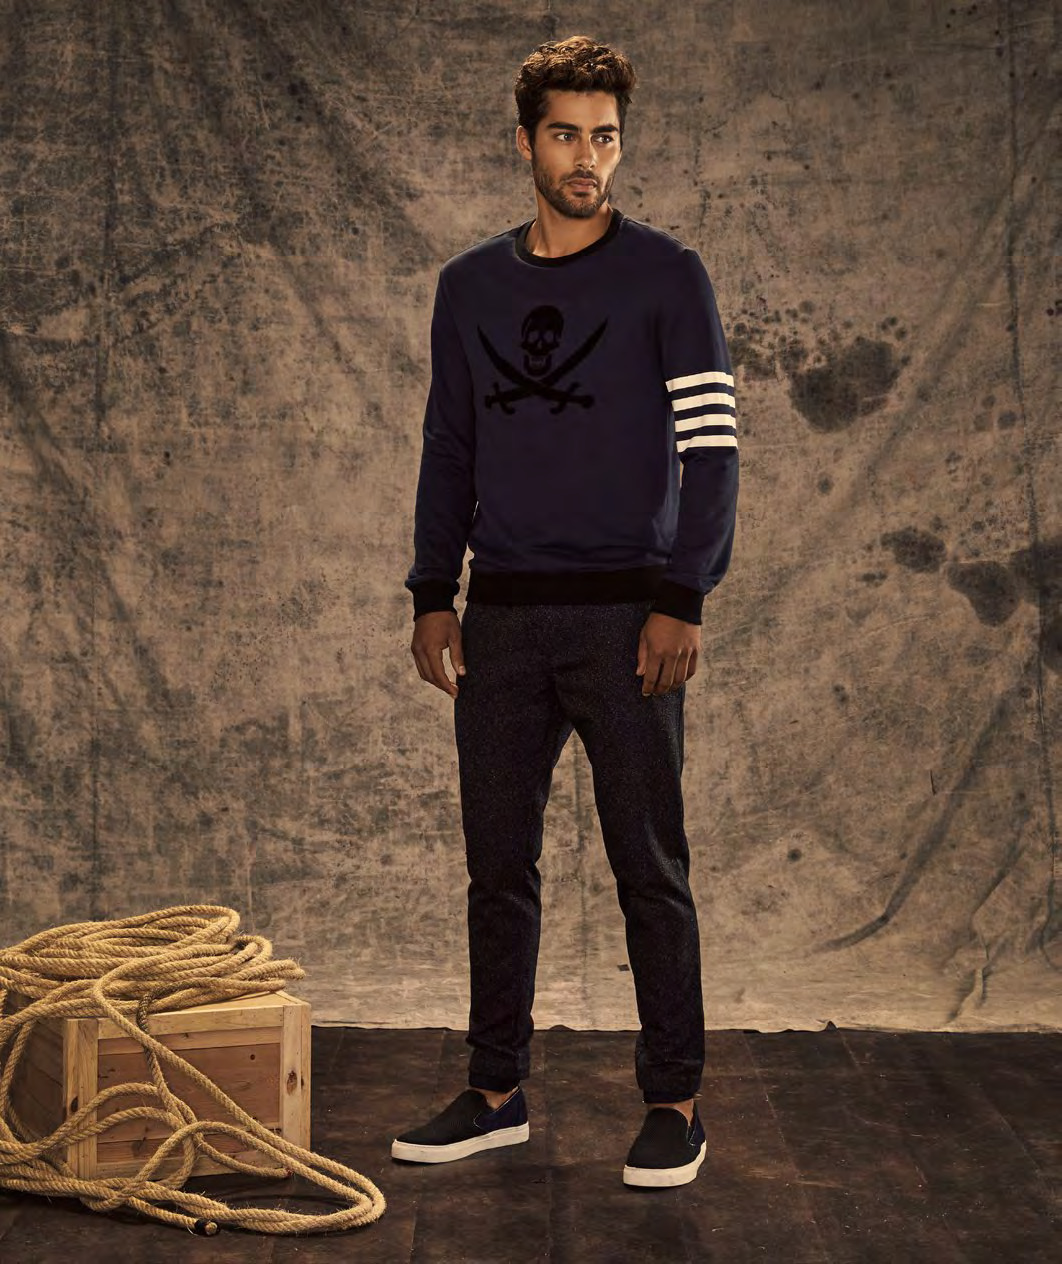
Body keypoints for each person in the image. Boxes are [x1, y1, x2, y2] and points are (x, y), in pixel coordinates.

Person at [393, 33, 738, 1189]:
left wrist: (682, 594)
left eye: (605, 137)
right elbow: (449, 445)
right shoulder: (470, 289)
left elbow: (713, 448)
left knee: (650, 865)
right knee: (497, 865)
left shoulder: (667, 276)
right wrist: (433, 590)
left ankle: (675, 1102)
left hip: (628, 617)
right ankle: (495, 1090)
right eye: (565, 135)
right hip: (502, 618)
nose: (587, 157)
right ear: (526, 142)